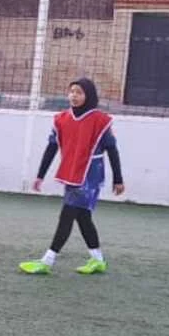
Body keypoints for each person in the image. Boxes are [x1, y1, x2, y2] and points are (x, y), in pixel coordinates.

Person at [20, 79, 125, 277]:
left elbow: (112, 150)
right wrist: (40, 175)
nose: (74, 96)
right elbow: (51, 147)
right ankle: (97, 259)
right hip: (71, 171)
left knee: (67, 215)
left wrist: (118, 178)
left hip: (90, 174)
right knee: (83, 217)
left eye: (79, 92)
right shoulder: (61, 120)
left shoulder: (100, 121)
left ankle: (47, 261)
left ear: (89, 96)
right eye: (71, 92)